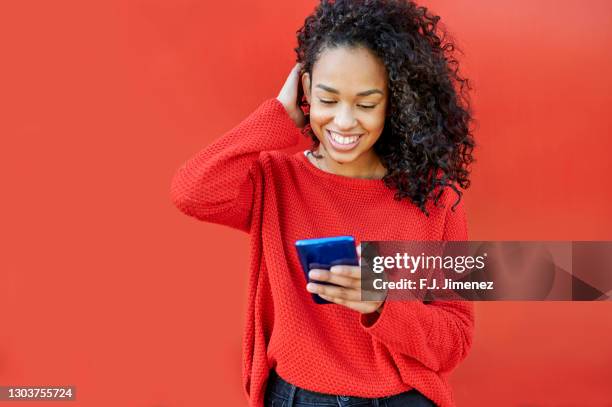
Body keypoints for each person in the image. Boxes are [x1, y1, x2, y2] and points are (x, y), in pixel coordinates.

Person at [170, 0, 475, 406]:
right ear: (306, 89)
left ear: (394, 102)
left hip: (400, 398)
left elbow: (454, 339)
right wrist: (278, 116)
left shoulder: (435, 198)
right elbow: (192, 191)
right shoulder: (276, 180)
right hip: (296, 397)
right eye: (328, 100)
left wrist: (383, 303)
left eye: (366, 104)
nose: (344, 122)